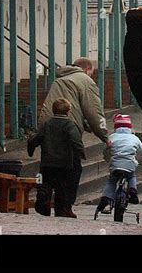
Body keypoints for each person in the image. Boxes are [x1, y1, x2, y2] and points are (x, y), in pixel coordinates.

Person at [39, 58, 110, 208]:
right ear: (87, 70)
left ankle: (44, 197)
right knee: (72, 170)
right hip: (68, 130)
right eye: (92, 73)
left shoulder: (60, 80)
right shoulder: (85, 80)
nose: (91, 76)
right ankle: (64, 206)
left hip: (48, 128)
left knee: (50, 167)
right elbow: (93, 112)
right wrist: (104, 136)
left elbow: (74, 110)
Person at [28, 98, 86, 218]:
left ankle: (44, 200)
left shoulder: (47, 124)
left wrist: (31, 148)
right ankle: (62, 209)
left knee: (46, 183)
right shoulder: (69, 124)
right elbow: (75, 139)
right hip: (64, 164)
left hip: (47, 163)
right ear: (68, 111)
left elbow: (36, 138)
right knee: (62, 188)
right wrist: (81, 152)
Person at [96, 114, 142, 213]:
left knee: (112, 181)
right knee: (131, 176)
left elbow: (106, 151)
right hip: (129, 165)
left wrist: (108, 159)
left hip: (115, 165)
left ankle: (105, 198)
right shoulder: (134, 138)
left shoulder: (111, 137)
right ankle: (133, 191)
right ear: (130, 127)